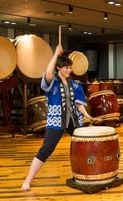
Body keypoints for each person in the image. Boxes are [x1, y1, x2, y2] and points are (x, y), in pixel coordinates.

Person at [21, 44, 92, 191]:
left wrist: (85, 114)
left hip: (73, 120)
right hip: (56, 120)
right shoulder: (52, 82)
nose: (68, 70)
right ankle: (28, 180)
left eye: (70, 68)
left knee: (83, 145)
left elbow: (79, 104)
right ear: (59, 68)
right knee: (46, 149)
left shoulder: (75, 84)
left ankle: (87, 173)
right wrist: (55, 55)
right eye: (66, 67)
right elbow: (47, 72)